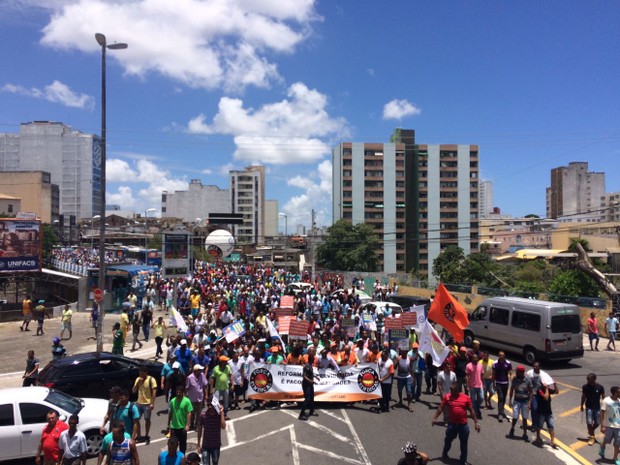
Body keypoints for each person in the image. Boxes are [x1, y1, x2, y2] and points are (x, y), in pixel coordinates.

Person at [432, 382, 480, 465]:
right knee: (448, 440)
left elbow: (471, 410)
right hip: (452, 425)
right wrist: (435, 417)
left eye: (452, 389)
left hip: (463, 425)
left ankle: (463, 460)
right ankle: (445, 451)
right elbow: (441, 408)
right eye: (450, 389)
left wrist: (476, 422)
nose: (450, 390)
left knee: (464, 444)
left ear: (457, 390)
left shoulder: (465, 398)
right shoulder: (447, 397)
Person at [197, 396, 226, 465]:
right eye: (208, 405)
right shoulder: (203, 414)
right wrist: (198, 444)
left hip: (216, 445)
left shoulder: (219, 414)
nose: (209, 407)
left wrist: (221, 413)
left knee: (215, 462)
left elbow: (223, 426)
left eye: (211, 405)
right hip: (205, 445)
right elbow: (200, 429)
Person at [132, 365, 157, 444]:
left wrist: (152, 403)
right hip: (139, 403)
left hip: (147, 404)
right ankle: (139, 435)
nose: (141, 375)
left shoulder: (151, 380)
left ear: (146, 373)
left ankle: (146, 435)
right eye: (140, 373)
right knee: (136, 419)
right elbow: (133, 391)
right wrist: (138, 383)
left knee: (147, 419)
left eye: (143, 373)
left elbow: (154, 391)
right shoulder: (138, 379)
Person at [507, 365, 532, 442]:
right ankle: (512, 428)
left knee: (524, 418)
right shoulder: (514, 380)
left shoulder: (528, 380)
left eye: (518, 372)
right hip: (517, 401)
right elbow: (511, 390)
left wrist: (529, 402)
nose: (516, 373)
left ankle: (524, 434)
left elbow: (531, 392)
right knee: (515, 417)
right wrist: (510, 401)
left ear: (522, 373)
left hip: (525, 402)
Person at [581, 372, 605, 447]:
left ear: (594, 379)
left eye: (589, 379)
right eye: (587, 379)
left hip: (597, 407)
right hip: (588, 407)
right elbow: (583, 396)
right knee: (589, 422)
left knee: (597, 422)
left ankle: (590, 431)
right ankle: (592, 437)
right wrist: (581, 405)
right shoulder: (585, 387)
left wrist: (605, 406)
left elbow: (603, 397)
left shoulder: (600, 387)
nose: (587, 380)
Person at [168, 386, 193, 454]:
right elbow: (171, 412)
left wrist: (187, 425)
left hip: (182, 427)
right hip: (174, 427)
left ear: (182, 392)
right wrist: (168, 424)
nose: (178, 393)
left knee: (183, 446)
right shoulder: (172, 401)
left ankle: (182, 459)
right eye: (177, 392)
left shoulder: (187, 401)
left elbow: (189, 413)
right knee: (172, 444)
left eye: (179, 392)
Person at [599, 385, 620, 461]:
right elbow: (601, 413)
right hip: (609, 425)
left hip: (618, 426)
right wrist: (602, 425)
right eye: (619, 391)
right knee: (607, 440)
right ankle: (602, 447)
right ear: (615, 393)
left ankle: (615, 458)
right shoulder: (606, 401)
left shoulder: (619, 400)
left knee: (617, 443)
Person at [186, 364, 209, 430]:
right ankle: (191, 424)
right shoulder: (190, 377)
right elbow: (187, 387)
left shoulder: (202, 375)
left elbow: (205, 385)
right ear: (196, 371)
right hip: (192, 398)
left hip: (200, 397)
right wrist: (186, 395)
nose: (201, 371)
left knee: (199, 413)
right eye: (199, 370)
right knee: (192, 412)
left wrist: (206, 395)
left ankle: (197, 426)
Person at [534, 382, 556, 449]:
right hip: (541, 412)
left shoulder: (548, 389)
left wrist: (555, 384)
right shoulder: (539, 390)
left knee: (551, 426)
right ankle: (538, 437)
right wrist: (546, 388)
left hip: (548, 412)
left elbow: (556, 392)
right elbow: (546, 397)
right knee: (539, 426)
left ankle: (552, 441)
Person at [492, 351, 512, 422]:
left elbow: (510, 372)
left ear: (504, 356)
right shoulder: (495, 363)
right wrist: (493, 383)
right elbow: (493, 374)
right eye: (500, 355)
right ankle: (500, 414)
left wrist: (511, 377)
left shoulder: (508, 363)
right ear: (498, 356)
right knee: (500, 398)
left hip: (505, 383)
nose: (501, 357)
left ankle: (502, 410)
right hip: (498, 383)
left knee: (503, 398)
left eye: (503, 355)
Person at [299, 353, 319, 420]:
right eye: (314, 359)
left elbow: (310, 373)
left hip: (310, 384)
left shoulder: (310, 365)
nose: (314, 360)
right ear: (311, 359)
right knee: (307, 399)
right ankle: (301, 415)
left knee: (311, 398)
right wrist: (311, 381)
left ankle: (311, 411)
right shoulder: (306, 366)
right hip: (306, 385)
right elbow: (304, 376)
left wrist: (315, 377)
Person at [465, 354, 484, 419]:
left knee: (481, 399)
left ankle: (476, 408)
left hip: (479, 385)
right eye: (474, 358)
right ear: (472, 358)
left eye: (476, 358)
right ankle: (477, 413)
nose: (475, 359)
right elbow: (467, 377)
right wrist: (467, 386)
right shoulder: (468, 366)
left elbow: (482, 375)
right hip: (472, 386)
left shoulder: (481, 365)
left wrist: (483, 384)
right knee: (473, 400)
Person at [395, 348, 414, 412]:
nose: (404, 353)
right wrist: (396, 362)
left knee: (409, 391)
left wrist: (412, 377)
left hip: (407, 377)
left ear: (406, 352)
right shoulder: (399, 358)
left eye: (405, 352)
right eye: (402, 352)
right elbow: (394, 367)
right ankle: (400, 401)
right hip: (400, 377)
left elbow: (411, 368)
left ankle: (409, 404)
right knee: (399, 390)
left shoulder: (409, 359)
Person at [377, 349, 395, 413]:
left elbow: (391, 373)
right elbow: (377, 368)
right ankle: (382, 407)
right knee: (380, 395)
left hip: (387, 382)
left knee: (387, 395)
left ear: (386, 356)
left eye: (383, 355)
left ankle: (386, 407)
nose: (381, 356)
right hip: (380, 381)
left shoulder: (390, 362)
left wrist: (383, 379)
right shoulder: (379, 360)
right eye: (381, 355)